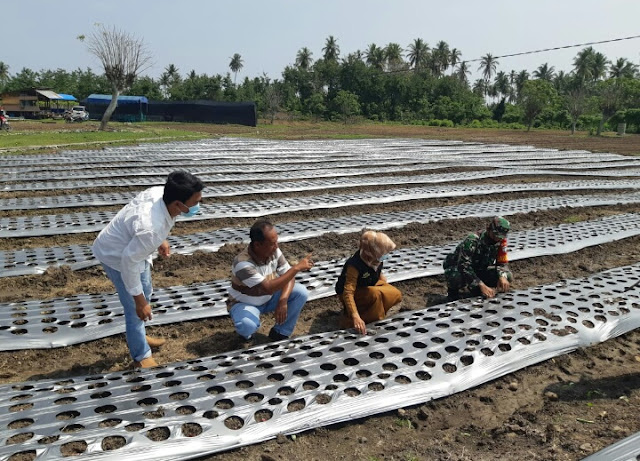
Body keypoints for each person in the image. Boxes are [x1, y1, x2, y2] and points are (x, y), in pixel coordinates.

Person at [92, 170, 204, 368]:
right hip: (116, 256)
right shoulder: (151, 229)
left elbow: (145, 230)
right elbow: (128, 262)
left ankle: (139, 334)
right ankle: (141, 355)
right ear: (178, 204)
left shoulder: (160, 194)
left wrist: (161, 239)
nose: (197, 206)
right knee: (135, 307)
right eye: (194, 203)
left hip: (134, 249)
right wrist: (139, 300)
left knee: (146, 292)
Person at [227, 219, 313, 342]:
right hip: (245, 303)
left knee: (300, 292)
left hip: (269, 298)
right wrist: (296, 268)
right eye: (272, 243)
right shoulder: (243, 263)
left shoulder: (274, 252)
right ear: (257, 245)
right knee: (247, 325)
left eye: (276, 241)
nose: (276, 246)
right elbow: (268, 287)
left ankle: (280, 332)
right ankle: (246, 335)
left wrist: (283, 301)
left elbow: (288, 277)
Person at [335, 230, 403, 335]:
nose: (385, 256)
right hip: (351, 292)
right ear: (371, 252)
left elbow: (378, 274)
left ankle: (371, 310)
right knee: (375, 294)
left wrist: (383, 286)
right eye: (383, 254)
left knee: (394, 293)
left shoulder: (376, 259)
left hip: (368, 286)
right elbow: (348, 291)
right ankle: (354, 320)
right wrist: (355, 316)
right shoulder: (354, 265)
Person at [443, 216, 512, 300]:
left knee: (508, 275)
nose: (498, 238)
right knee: (455, 276)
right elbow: (463, 266)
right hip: (462, 270)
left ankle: (483, 290)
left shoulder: (500, 242)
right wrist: (480, 284)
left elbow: (503, 263)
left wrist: (502, 276)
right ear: (489, 229)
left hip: (480, 269)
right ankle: (453, 295)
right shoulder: (472, 241)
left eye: (501, 237)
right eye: (496, 235)